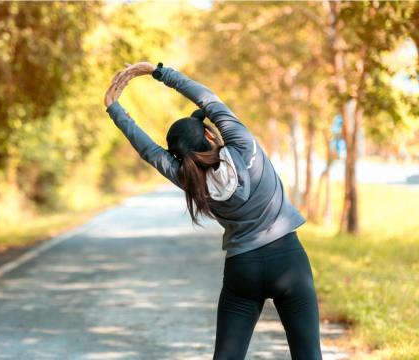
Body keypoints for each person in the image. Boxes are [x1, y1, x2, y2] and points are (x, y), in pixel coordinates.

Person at [104, 61, 323, 360]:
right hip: (288, 262)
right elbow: (206, 99)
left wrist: (115, 108)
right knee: (308, 354)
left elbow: (149, 151)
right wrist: (158, 72)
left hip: (242, 270)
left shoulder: (188, 179)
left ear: (181, 157)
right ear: (209, 135)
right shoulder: (243, 145)